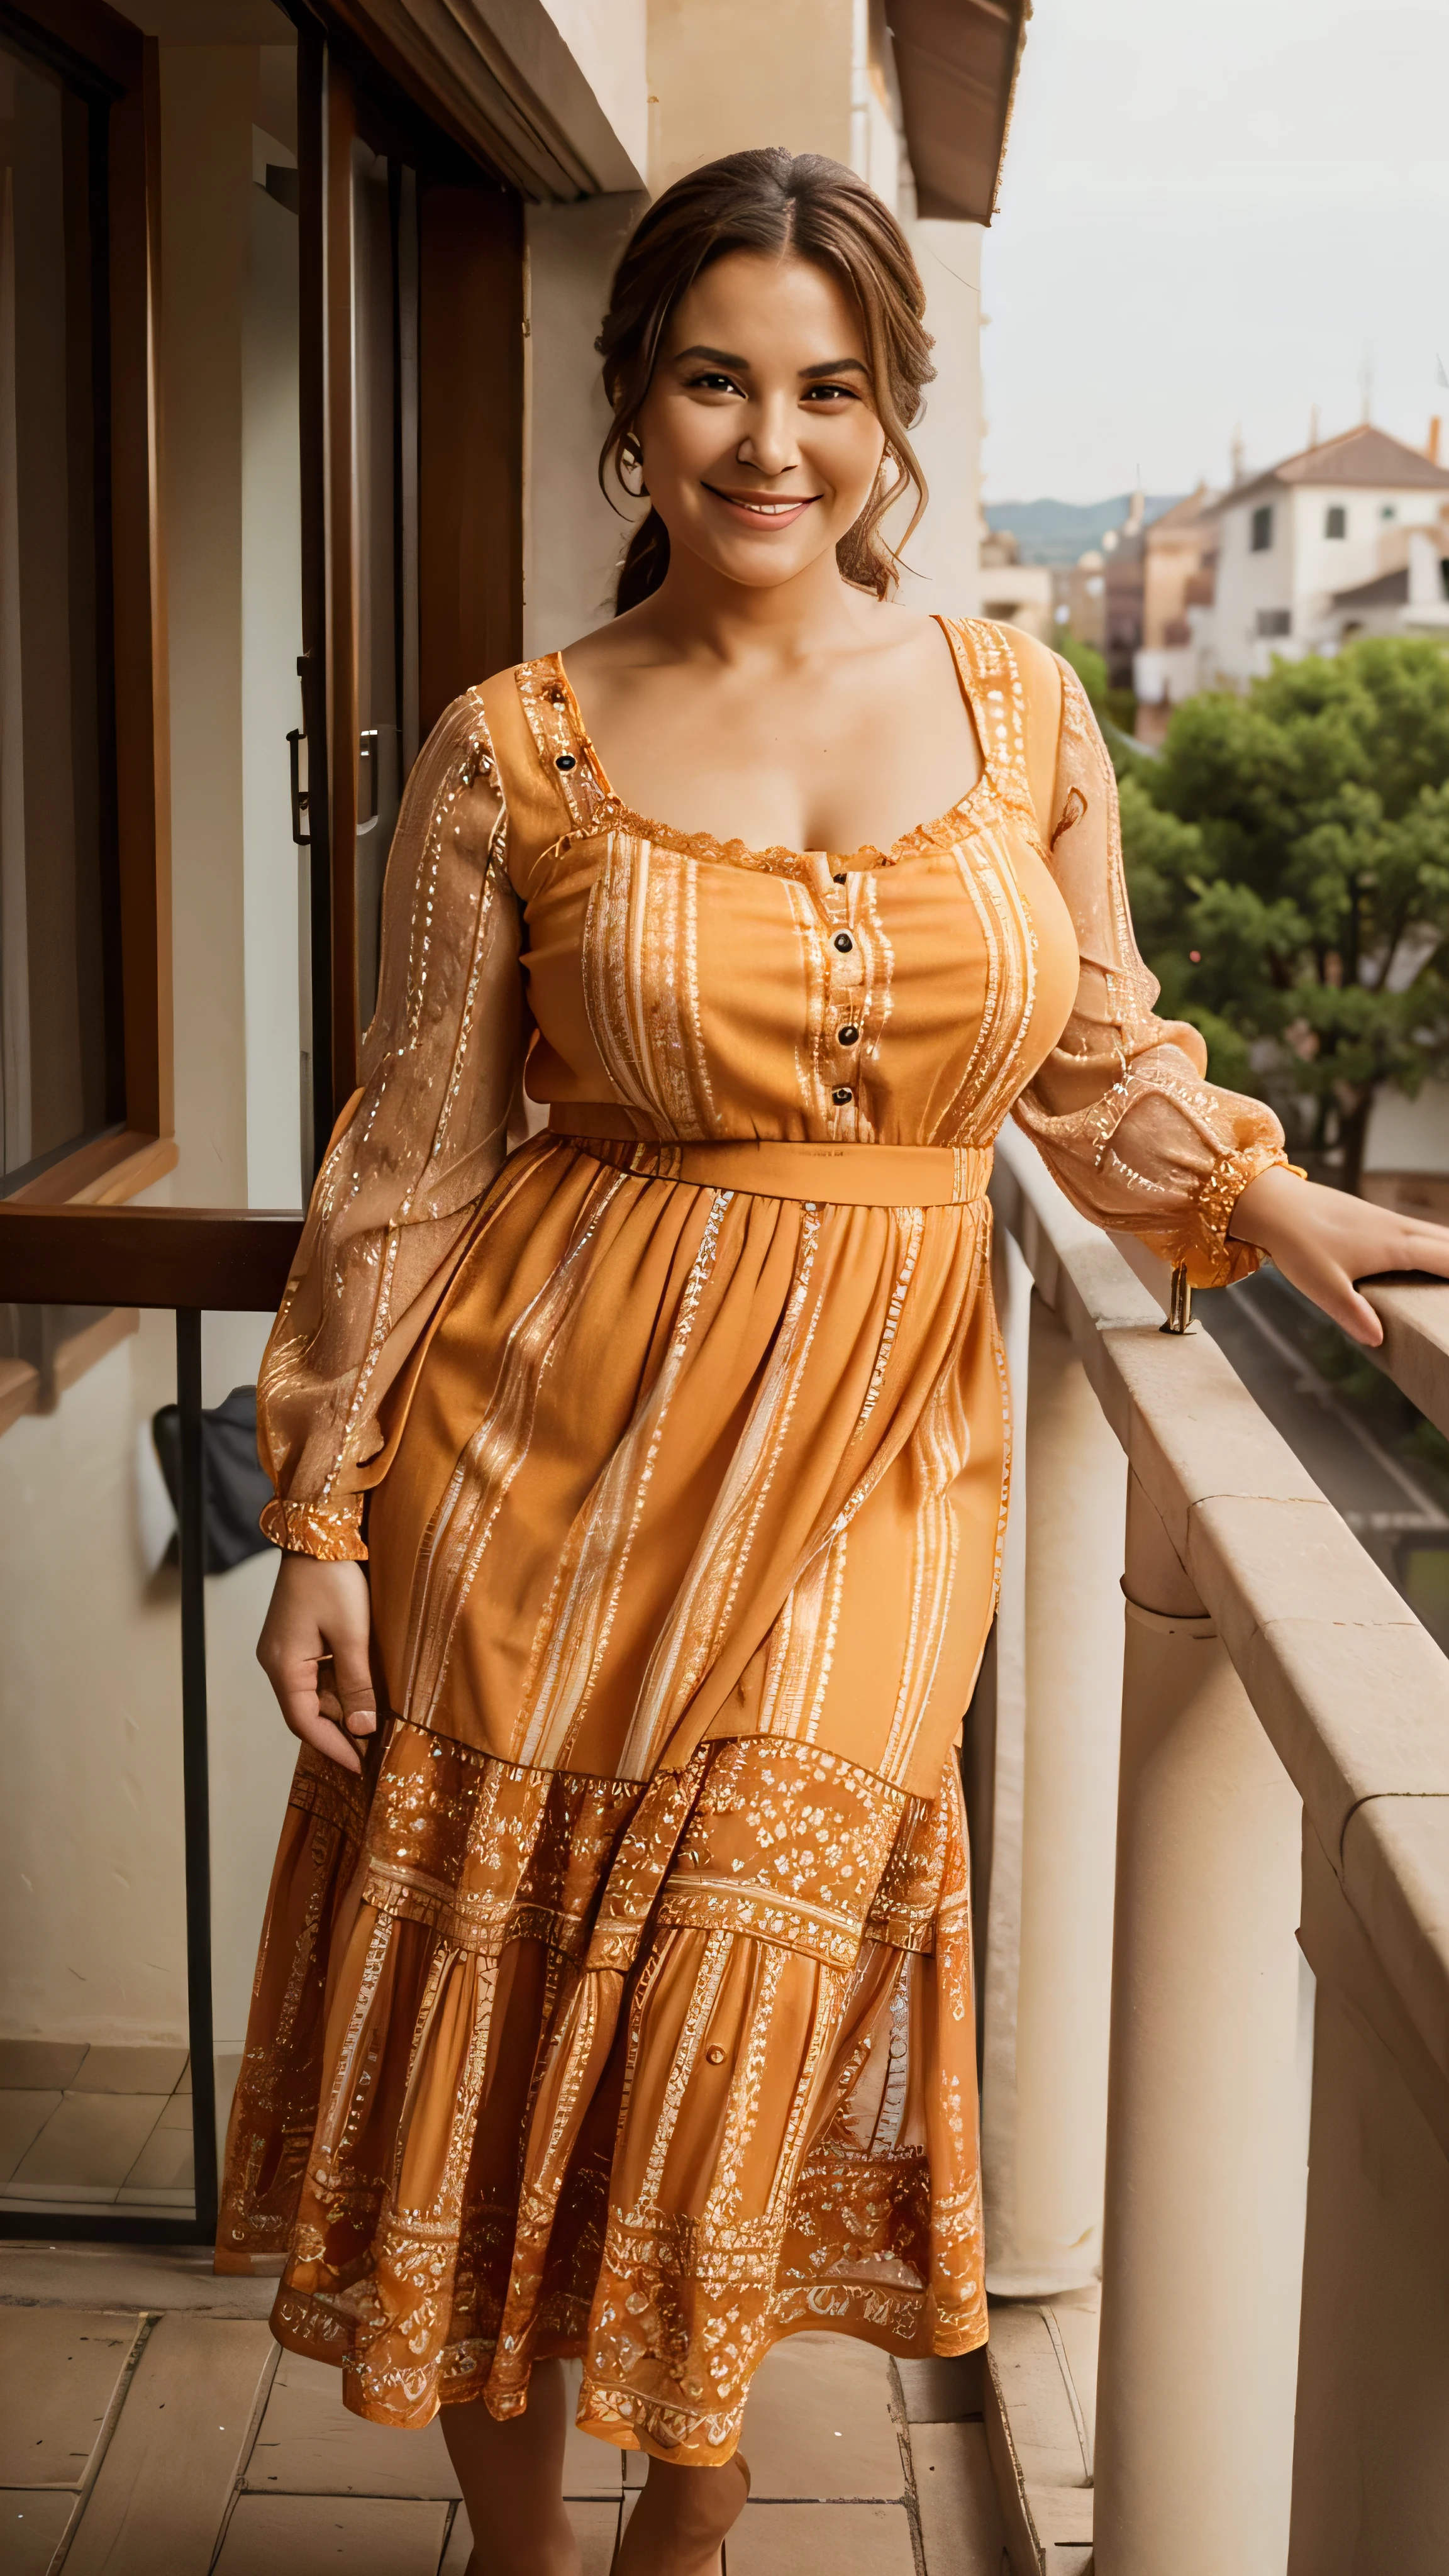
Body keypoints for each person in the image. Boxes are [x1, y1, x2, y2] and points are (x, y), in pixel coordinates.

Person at [218, 147, 1449, 2576]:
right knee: (521, 2058)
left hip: (880, 1463)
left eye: (832, 390)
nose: (771, 442)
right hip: (536, 1457)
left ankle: (690, 2512)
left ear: (892, 425)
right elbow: (410, 1155)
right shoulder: (517, 748)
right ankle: (540, 2553)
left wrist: (1264, 1187)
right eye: (716, 379)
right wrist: (321, 1517)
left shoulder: (1017, 705)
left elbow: (1092, 1062)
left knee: (735, 2010)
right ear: (633, 405)